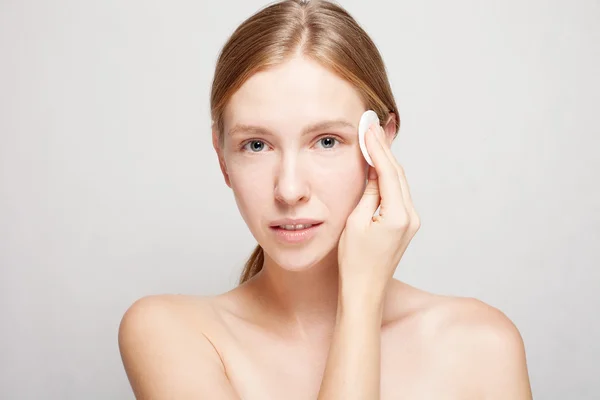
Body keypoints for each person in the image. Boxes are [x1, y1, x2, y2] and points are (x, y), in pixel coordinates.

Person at [118, 0, 533, 398]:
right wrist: (361, 301)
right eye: (257, 145)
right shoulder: (170, 333)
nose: (289, 190)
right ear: (221, 156)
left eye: (327, 141)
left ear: (381, 145)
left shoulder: (481, 346)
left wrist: (362, 292)